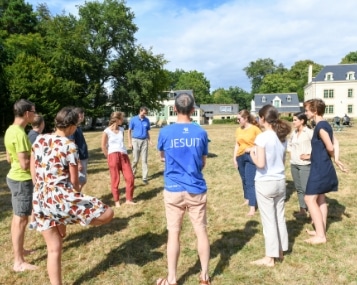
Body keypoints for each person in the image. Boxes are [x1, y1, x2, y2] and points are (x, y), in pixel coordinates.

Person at [30, 106, 114, 285]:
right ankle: (68, 219)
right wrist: (72, 210)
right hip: (60, 197)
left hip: (40, 198)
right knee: (108, 213)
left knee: (54, 249)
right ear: (71, 126)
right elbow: (75, 183)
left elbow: (34, 172)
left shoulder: (39, 140)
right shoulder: (69, 146)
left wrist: (41, 191)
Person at [157, 93, 211, 285]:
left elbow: (163, 157)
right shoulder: (201, 133)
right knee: (201, 231)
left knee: (173, 233)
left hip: (173, 188)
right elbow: (203, 162)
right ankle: (204, 276)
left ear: (175, 109)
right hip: (195, 187)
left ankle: (172, 278)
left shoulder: (165, 132)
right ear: (193, 110)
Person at [249, 104, 291, 267]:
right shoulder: (282, 137)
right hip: (280, 180)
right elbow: (282, 161)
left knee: (269, 220)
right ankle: (281, 250)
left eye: (259, 117)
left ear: (263, 119)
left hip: (265, 182)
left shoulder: (262, 137)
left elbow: (260, 164)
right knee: (279, 216)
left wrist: (252, 154)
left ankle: (269, 257)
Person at [303, 99, 346, 244]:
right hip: (320, 165)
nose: (305, 113)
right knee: (320, 199)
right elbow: (336, 142)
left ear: (314, 111)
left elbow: (330, 146)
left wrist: (334, 157)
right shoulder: (325, 124)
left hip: (320, 168)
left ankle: (321, 237)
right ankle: (319, 229)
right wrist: (336, 160)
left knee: (309, 199)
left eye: (307, 110)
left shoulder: (320, 126)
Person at [4, 99, 39, 272]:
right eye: (33, 111)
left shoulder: (11, 130)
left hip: (15, 178)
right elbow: (25, 164)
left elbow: (10, 157)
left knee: (19, 218)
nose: (35, 114)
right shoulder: (20, 134)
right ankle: (18, 261)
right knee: (20, 219)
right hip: (21, 180)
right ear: (26, 113)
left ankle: (20, 251)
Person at [101, 111, 135, 208]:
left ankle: (129, 199)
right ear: (117, 119)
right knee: (115, 179)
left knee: (130, 177)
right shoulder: (106, 131)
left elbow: (121, 142)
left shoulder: (121, 129)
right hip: (113, 156)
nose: (123, 120)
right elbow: (103, 146)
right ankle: (116, 201)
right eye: (122, 118)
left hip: (123, 155)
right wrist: (109, 158)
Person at [233, 109, 261, 216]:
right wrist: (234, 158)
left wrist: (253, 148)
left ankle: (252, 208)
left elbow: (261, 143)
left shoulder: (255, 129)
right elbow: (237, 144)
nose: (237, 121)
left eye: (239, 119)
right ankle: (247, 199)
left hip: (250, 157)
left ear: (246, 118)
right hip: (240, 156)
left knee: (250, 181)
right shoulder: (238, 130)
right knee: (244, 179)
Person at [287, 112, 313, 218]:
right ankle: (302, 210)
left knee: (306, 188)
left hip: (305, 165)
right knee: (298, 188)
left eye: (295, 120)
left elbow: (319, 146)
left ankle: (312, 211)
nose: (293, 122)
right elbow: (289, 144)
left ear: (302, 121)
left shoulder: (309, 132)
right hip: (294, 164)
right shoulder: (294, 133)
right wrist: (291, 153)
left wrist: (309, 156)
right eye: (293, 120)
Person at [27, 114, 46, 230]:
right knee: (37, 195)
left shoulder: (31, 134)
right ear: (42, 124)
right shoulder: (36, 137)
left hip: (34, 169)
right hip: (36, 169)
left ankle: (33, 221)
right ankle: (34, 221)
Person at [128, 107, 152, 184]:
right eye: (144, 113)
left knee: (144, 160)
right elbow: (129, 131)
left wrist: (149, 140)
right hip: (135, 140)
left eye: (146, 113)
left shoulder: (147, 120)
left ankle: (144, 178)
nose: (145, 114)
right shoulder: (133, 119)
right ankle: (132, 174)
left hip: (144, 141)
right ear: (140, 111)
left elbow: (147, 131)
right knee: (135, 159)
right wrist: (129, 142)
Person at [68, 107, 89, 191]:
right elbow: (72, 146)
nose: (83, 117)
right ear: (78, 116)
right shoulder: (73, 128)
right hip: (79, 158)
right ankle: (76, 197)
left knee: (82, 180)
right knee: (81, 180)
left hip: (84, 156)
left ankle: (77, 196)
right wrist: (78, 161)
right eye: (82, 115)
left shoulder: (78, 127)